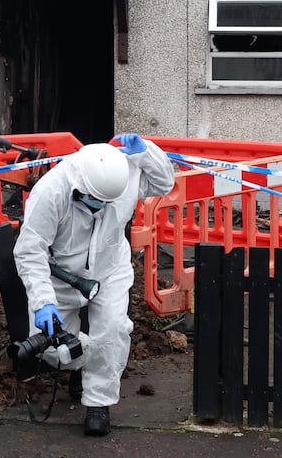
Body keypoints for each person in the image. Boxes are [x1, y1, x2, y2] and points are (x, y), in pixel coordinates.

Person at [13, 134, 175, 436]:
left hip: (109, 267)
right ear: (82, 187)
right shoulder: (52, 191)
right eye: (96, 200)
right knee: (51, 348)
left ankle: (98, 403)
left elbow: (164, 184)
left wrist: (146, 154)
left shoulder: (121, 175)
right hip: (60, 276)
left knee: (113, 330)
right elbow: (30, 250)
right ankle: (81, 364)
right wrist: (42, 301)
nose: (101, 207)